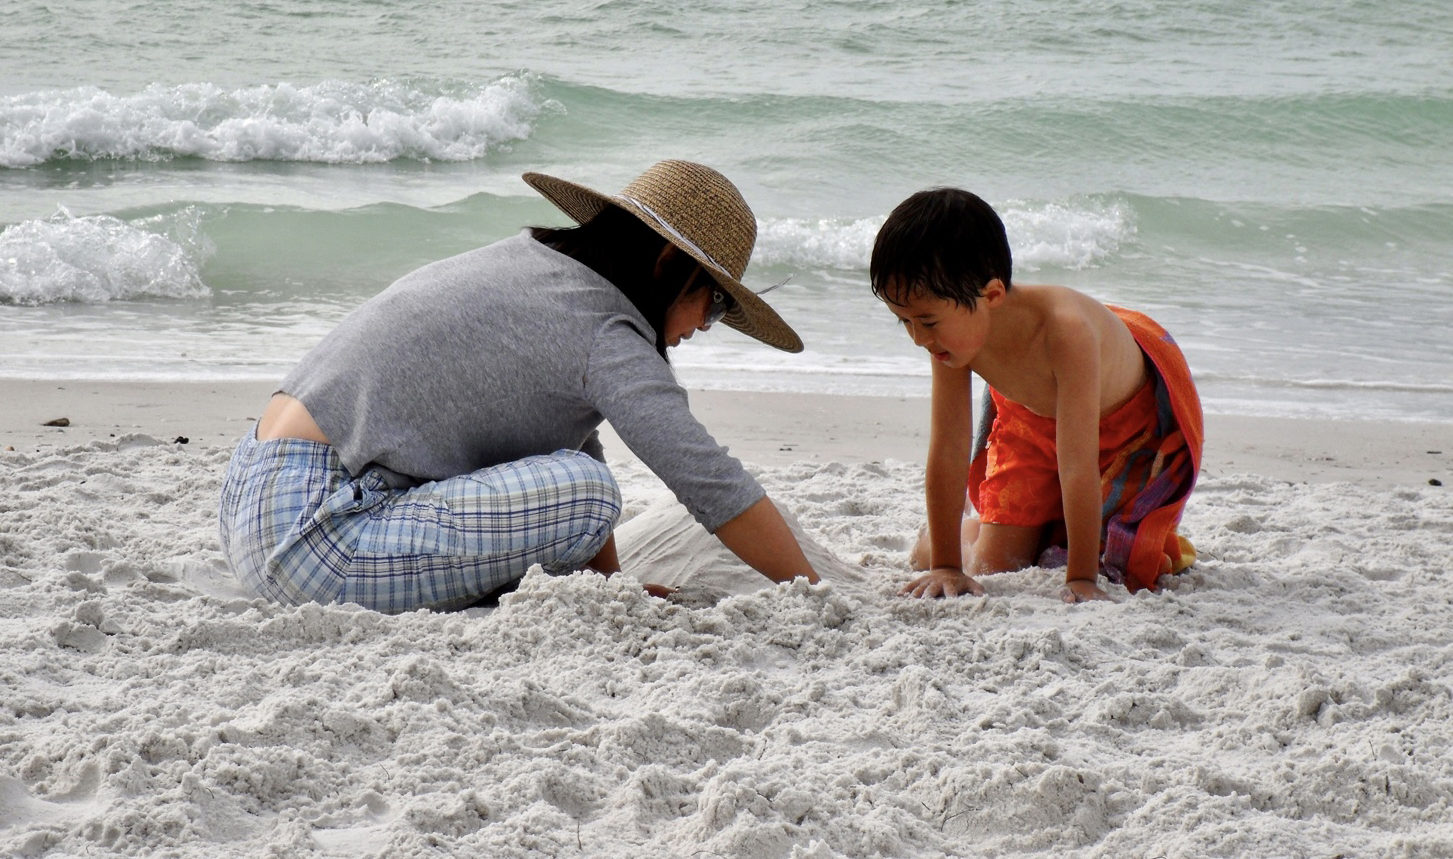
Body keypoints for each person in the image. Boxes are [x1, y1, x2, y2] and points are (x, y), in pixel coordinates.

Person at [218, 160, 819, 614]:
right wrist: (810, 592)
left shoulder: (534, 265)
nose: (703, 329)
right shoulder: (606, 331)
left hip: (249, 495)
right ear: (666, 265)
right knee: (589, 492)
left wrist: (609, 591)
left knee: (576, 479)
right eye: (713, 306)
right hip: (313, 543)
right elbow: (707, 480)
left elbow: (563, 439)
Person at [869, 188, 1202, 603]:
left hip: (1123, 432)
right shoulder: (950, 337)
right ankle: (954, 536)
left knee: (1127, 565)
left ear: (991, 296)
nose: (918, 338)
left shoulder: (1066, 332)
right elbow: (949, 446)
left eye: (926, 321)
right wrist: (946, 564)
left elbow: (1077, 462)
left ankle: (1061, 537)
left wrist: (1080, 578)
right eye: (904, 323)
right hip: (1030, 420)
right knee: (994, 563)